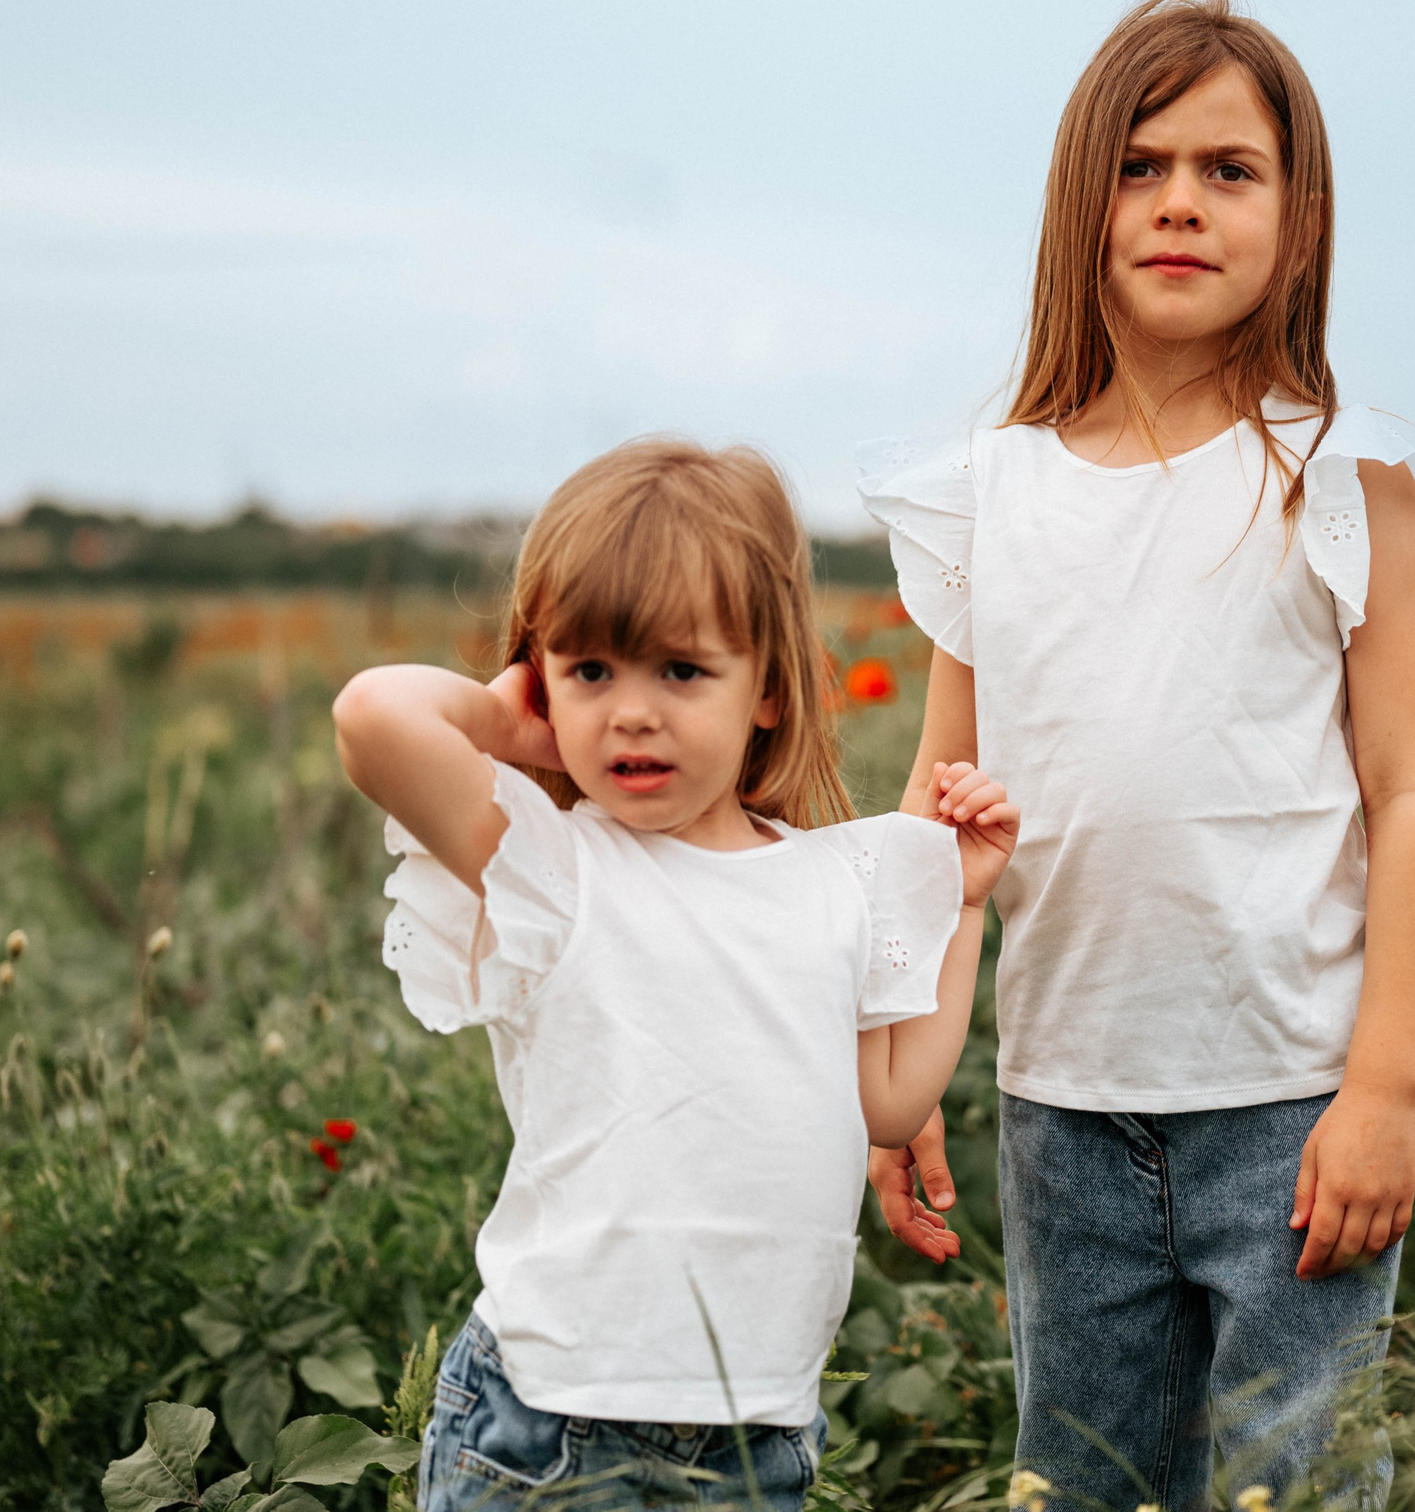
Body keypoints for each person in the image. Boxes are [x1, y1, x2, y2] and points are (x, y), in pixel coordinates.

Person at [857, 0, 1415, 1510]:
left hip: (1292, 1107)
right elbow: (942, 828)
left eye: (1228, 169)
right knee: (1084, 1481)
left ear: (1302, 218)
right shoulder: (991, 495)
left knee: (1304, 1485)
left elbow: (1411, 798)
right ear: (1085, 205)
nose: (1180, 203)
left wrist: (1386, 1088)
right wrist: (901, 1060)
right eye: (1140, 168)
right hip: (1064, 1109)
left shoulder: (1347, 476)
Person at [334, 437, 1018, 1512]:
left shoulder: (831, 881)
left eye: (681, 671)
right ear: (541, 676)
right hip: (548, 1424)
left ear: (770, 692)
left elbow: (892, 1100)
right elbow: (373, 718)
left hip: (754, 1439)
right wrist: (511, 725)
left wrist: (965, 905)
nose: (633, 711)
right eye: (591, 670)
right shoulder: (555, 868)